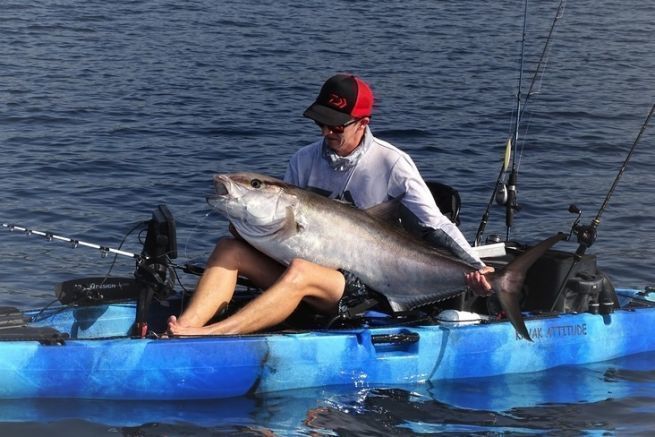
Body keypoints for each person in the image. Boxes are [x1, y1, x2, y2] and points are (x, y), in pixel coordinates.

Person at [168, 74, 492, 336]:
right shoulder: (303, 159)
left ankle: (216, 335)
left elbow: (436, 224)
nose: (326, 132)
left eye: (336, 126)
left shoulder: (392, 163)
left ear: (362, 123)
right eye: (320, 123)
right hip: (297, 270)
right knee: (228, 248)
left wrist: (474, 267)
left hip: (360, 288)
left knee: (301, 270)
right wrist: (244, 229)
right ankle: (185, 329)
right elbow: (284, 236)